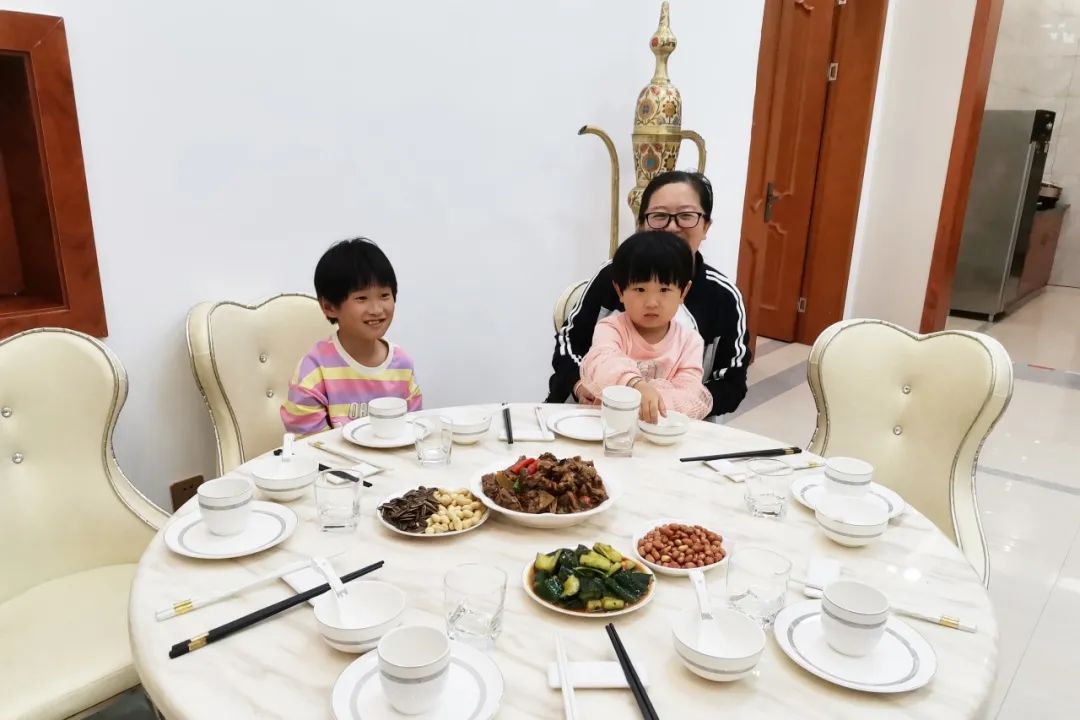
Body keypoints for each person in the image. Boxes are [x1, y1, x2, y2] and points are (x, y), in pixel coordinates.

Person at [547, 171, 751, 416]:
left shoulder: (722, 297)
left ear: (706, 225)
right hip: (587, 413)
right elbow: (570, 345)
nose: (672, 226)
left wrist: (662, 406)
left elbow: (731, 383)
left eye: (686, 216)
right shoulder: (613, 276)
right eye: (659, 215)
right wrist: (580, 385)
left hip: (673, 424)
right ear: (642, 223)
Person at [281, 238, 422, 434]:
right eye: (361, 298)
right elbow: (309, 443)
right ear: (329, 307)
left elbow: (412, 429)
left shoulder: (402, 365)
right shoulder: (315, 369)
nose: (376, 309)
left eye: (384, 295)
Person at [579, 231, 713, 423]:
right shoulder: (611, 328)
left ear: (683, 292)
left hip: (659, 430)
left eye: (664, 290)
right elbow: (602, 362)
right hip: (608, 428)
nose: (651, 303)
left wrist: (653, 401)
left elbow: (689, 395)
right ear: (620, 291)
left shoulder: (690, 342)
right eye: (640, 289)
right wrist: (636, 385)